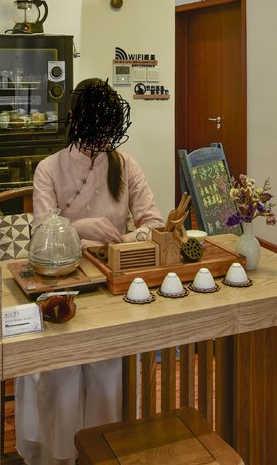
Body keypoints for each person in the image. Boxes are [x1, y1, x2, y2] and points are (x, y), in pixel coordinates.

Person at [15, 78, 164, 465]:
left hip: (111, 284)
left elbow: (154, 222)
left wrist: (129, 238)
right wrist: (79, 228)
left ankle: (104, 450)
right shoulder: (49, 169)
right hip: (61, 284)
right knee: (60, 371)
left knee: (108, 365)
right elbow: (41, 234)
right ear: (75, 120)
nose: (99, 142)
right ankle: (57, 454)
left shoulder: (125, 165)